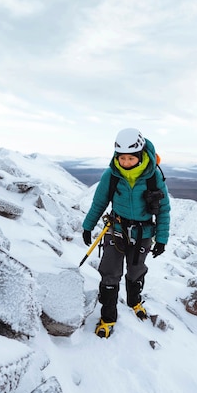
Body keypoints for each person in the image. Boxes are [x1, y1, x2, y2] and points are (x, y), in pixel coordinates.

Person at [82, 128, 171, 338]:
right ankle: (108, 317)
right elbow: (99, 202)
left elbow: (164, 208)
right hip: (117, 229)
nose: (126, 162)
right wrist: (88, 226)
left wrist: (161, 239)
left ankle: (134, 301)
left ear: (140, 155)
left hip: (143, 232)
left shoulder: (153, 175)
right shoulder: (111, 175)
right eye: (122, 158)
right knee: (110, 272)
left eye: (131, 158)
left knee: (135, 270)